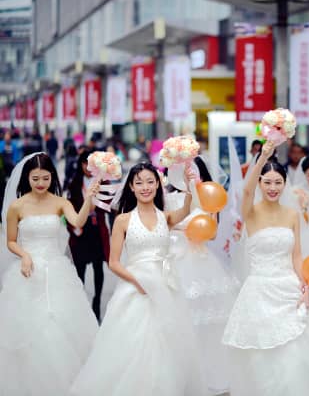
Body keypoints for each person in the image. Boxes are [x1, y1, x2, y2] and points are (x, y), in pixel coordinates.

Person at [70, 162, 208, 396]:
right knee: (134, 345)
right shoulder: (123, 220)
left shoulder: (166, 217)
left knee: (166, 344)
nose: (145, 187)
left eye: (150, 182)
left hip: (166, 287)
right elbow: (114, 262)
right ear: (131, 187)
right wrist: (137, 282)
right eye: (139, 183)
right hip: (136, 290)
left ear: (157, 185)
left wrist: (187, 185)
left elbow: (187, 210)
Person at [222, 141, 309, 396]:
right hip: (259, 289)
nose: (273, 187)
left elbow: (296, 255)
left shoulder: (291, 215)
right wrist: (263, 156)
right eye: (267, 182)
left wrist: (305, 287)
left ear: (285, 185)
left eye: (278, 182)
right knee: (261, 355)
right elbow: (247, 189)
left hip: (287, 287)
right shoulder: (250, 212)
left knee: (294, 351)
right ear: (260, 184)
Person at [0, 152, 100, 395]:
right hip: (28, 272)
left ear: (52, 177)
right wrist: (24, 255)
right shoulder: (17, 206)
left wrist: (88, 200)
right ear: (27, 178)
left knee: (61, 323)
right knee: (29, 329)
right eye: (36, 178)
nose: (41, 183)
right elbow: (11, 241)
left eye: (45, 177)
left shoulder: (59, 202)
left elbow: (77, 221)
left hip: (57, 271)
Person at [164, 156, 240, 395]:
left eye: (192, 170)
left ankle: (208, 371)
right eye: (182, 170)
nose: (188, 175)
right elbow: (161, 224)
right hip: (175, 259)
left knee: (208, 322)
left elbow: (213, 233)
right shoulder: (168, 197)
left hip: (202, 261)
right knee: (177, 319)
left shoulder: (208, 196)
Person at [66, 149, 111, 320]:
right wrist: (74, 227)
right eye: (85, 163)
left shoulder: (102, 181)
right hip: (80, 231)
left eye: (91, 164)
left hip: (96, 230)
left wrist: (97, 202)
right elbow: (70, 205)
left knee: (99, 268)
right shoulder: (74, 183)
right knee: (80, 270)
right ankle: (81, 304)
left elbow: (108, 203)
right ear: (81, 164)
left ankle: (97, 301)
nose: (88, 167)